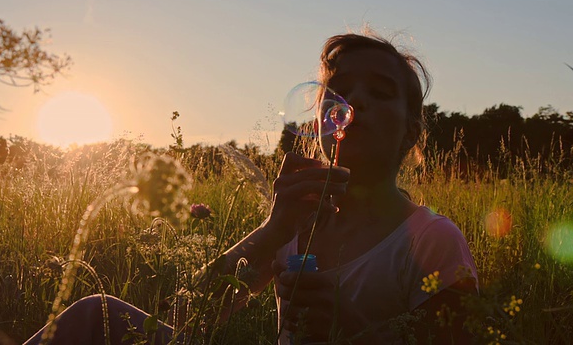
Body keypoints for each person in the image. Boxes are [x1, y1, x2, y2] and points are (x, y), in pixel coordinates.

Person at [25, 29, 478, 344]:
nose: (353, 102)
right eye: (337, 92)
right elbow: (185, 321)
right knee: (94, 314)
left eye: (379, 93)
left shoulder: (430, 240)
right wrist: (273, 230)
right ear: (320, 119)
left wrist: (351, 329)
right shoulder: (298, 222)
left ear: (412, 132)